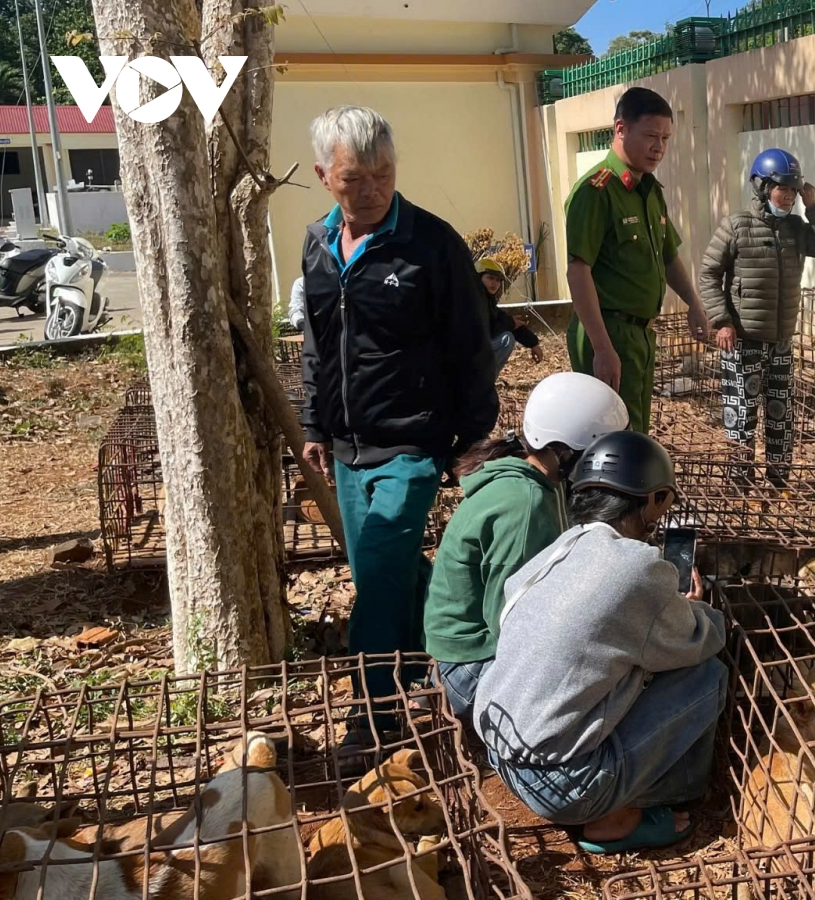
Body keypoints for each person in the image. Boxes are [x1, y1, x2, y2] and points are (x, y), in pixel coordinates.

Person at [297, 105, 498, 744]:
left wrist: (469, 438)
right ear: (325, 175)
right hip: (348, 445)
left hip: (414, 439)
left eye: (384, 173)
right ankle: (435, 655)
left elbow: (472, 345)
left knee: (377, 581)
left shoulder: (432, 245)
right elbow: (317, 345)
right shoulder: (316, 244)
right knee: (383, 570)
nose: (374, 189)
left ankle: (374, 714)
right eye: (356, 178)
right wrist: (313, 425)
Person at [473, 431, 727, 854]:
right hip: (568, 787)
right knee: (706, 676)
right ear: (656, 499)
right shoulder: (638, 565)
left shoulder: (561, 547)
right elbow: (700, 640)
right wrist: (700, 610)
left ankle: (610, 796)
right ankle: (638, 809)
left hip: (500, 752)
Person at [423, 372, 628, 723]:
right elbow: (509, 623)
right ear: (563, 451)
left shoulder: (546, 481)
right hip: (470, 666)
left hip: (476, 651)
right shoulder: (525, 506)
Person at [564, 86, 712, 433]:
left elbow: (668, 254)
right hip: (607, 330)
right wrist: (602, 347)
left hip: (641, 335)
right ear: (621, 129)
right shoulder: (596, 191)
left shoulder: (648, 191)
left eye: (665, 138)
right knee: (607, 435)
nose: (658, 147)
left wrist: (693, 303)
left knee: (635, 430)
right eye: (650, 136)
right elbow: (578, 271)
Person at [698, 148, 815, 487]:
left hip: (780, 342)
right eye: (783, 188)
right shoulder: (737, 225)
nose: (789, 196)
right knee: (742, 415)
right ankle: (740, 484)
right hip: (743, 340)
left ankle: (779, 481)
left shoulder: (795, 228)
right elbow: (708, 273)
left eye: (794, 189)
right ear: (763, 187)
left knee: (781, 415)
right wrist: (722, 321)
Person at [478, 256, 543, 374]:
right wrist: (510, 323)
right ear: (478, 278)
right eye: (490, 278)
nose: (494, 283)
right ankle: (482, 381)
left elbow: (505, 321)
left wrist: (533, 343)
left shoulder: (488, 301)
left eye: (498, 280)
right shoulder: (471, 301)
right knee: (506, 339)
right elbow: (482, 331)